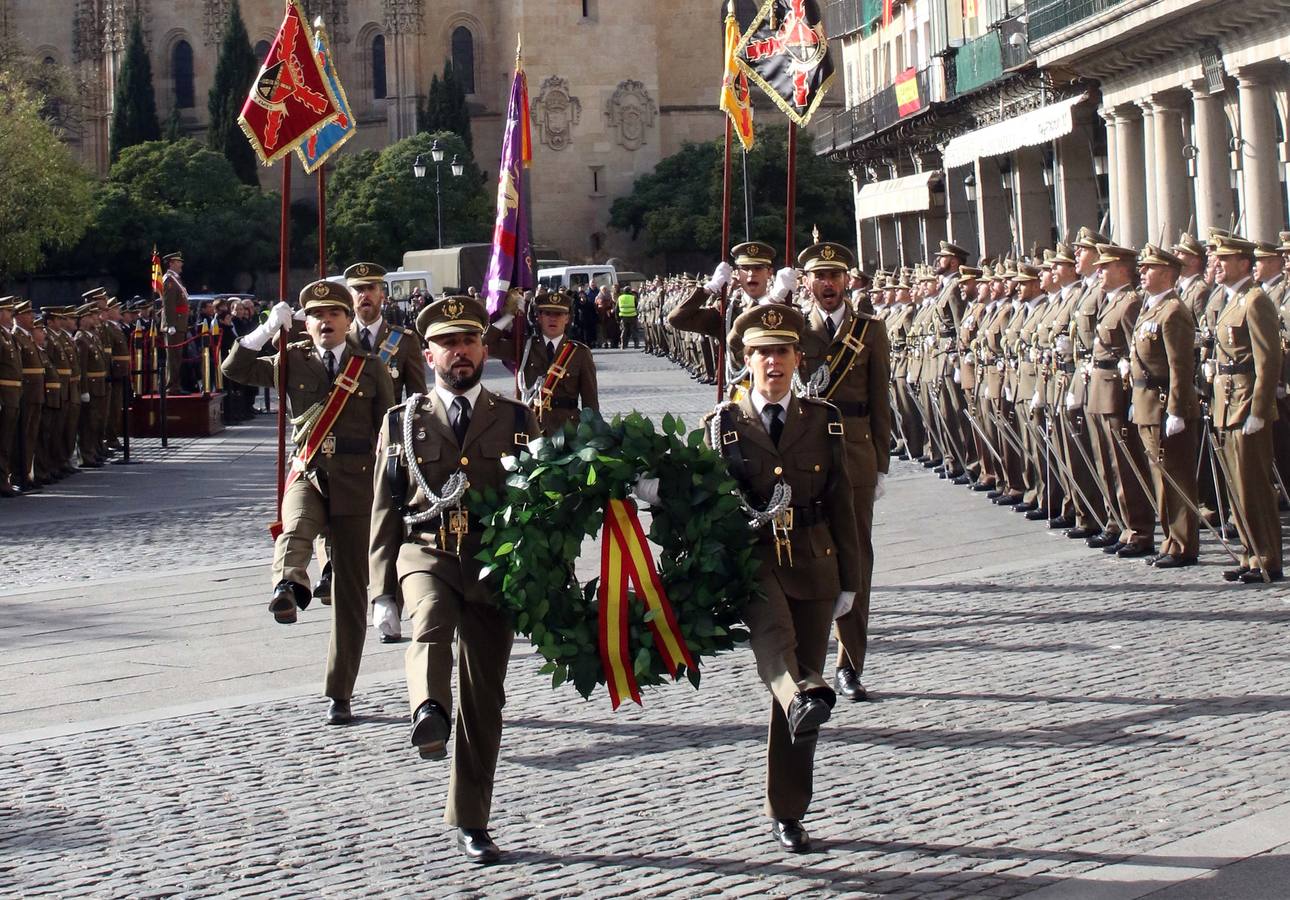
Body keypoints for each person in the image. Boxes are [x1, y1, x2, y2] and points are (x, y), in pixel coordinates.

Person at [368, 295, 539, 864]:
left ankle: (472, 819)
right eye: (446, 343)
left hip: (495, 565)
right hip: (427, 553)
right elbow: (386, 508)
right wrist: (381, 592)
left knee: (486, 697)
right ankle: (427, 710)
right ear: (428, 352)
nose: (458, 352)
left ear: (484, 350)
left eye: (468, 342)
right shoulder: (402, 421)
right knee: (431, 624)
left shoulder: (516, 418)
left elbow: (541, 503)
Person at [704, 302, 858, 854]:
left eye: (782, 352)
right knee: (780, 654)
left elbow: (843, 503)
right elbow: (708, 504)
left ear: (797, 358)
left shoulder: (822, 418)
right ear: (745, 360)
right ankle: (803, 694)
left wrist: (850, 580)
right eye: (761, 352)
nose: (773, 362)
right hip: (755, 561)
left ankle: (789, 810)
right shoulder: (723, 424)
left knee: (797, 695)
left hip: (814, 560)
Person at [221, 280, 395, 724]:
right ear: (306, 322)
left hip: (358, 485)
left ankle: (341, 691)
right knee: (295, 525)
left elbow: (389, 433)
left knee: (352, 597)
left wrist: (391, 492)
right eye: (316, 316)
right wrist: (263, 331)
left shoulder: (369, 367)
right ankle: (288, 586)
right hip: (310, 472)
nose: (325, 322)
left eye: (334, 314)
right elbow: (234, 369)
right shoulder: (293, 359)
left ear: (346, 320)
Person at [794, 240, 892, 704]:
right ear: (807, 283)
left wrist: (881, 463)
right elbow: (738, 343)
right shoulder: (793, 329)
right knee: (812, 559)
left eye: (835, 276)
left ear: (847, 281)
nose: (828, 284)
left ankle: (850, 664)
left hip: (854, 456)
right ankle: (807, 660)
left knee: (856, 561)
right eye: (819, 277)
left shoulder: (869, 330)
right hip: (805, 456)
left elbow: (880, 401)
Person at [1208, 235, 1284, 583]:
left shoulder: (1255, 301)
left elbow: (1268, 360)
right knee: (1236, 486)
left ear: (1243, 262)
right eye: (1217, 259)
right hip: (1226, 403)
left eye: (1224, 259)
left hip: (1246, 404)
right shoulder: (1229, 300)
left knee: (1254, 484)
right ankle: (1249, 552)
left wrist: (1259, 407)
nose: (1217, 264)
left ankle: (1267, 556)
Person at [1130, 244, 1201, 568]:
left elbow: (1180, 366)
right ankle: (1171, 540)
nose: (1142, 272)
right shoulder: (1150, 308)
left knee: (1176, 476)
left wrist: (1176, 409)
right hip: (1146, 403)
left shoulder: (1174, 311)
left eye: (1149, 268)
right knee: (1160, 478)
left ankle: (1183, 544)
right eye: (1142, 268)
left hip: (1164, 405)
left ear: (1168, 274)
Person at [486, 289, 599, 437]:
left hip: (568, 431)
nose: (553, 319)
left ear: (567, 318)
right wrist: (509, 316)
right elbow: (486, 345)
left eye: (558, 314)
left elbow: (590, 402)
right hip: (531, 428)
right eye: (547, 313)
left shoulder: (580, 353)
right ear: (539, 317)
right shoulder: (525, 347)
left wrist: (592, 435)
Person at [160, 252, 189, 393]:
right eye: (178, 262)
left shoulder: (175, 279)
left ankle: (175, 384)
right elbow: (169, 304)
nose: (181, 264)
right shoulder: (169, 280)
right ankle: (172, 386)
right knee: (173, 357)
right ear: (171, 263)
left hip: (179, 323)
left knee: (177, 356)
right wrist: (171, 324)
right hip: (174, 323)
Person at [616, 284, 640, 349]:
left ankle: (623, 345)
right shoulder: (633, 297)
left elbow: (617, 308)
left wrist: (617, 318)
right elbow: (637, 306)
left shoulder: (620, 298)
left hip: (623, 317)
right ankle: (636, 344)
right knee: (634, 331)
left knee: (624, 331)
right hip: (632, 316)